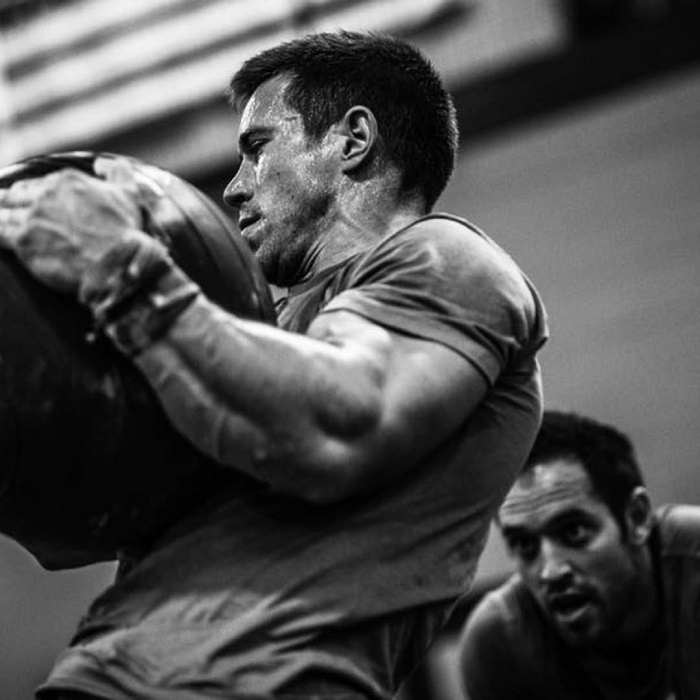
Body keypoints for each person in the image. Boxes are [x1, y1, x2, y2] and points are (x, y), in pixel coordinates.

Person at [0, 31, 547, 700]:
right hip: (100, 675)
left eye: (256, 149)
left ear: (352, 141)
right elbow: (85, 521)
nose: (232, 189)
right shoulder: (251, 332)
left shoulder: (449, 261)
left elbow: (340, 425)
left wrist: (119, 266)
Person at [458, 409, 700, 700]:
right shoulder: (499, 643)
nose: (551, 571)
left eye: (573, 532)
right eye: (525, 546)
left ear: (636, 518)